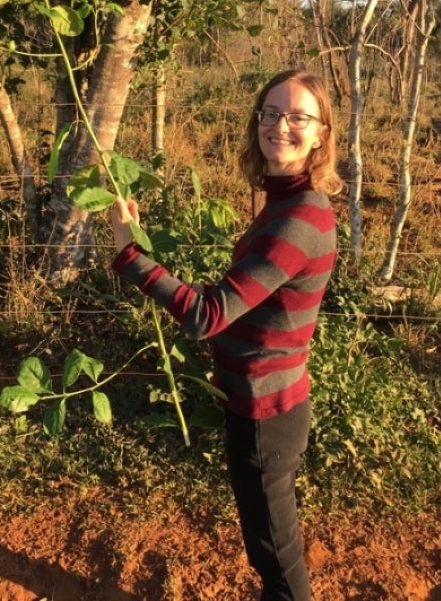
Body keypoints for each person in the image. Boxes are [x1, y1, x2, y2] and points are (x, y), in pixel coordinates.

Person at [108, 68, 343, 601]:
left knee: (278, 563)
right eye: (271, 112)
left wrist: (131, 257)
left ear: (322, 133)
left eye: (299, 117)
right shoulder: (286, 202)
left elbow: (209, 314)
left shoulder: (299, 219)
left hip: (267, 413)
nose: (280, 126)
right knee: (269, 550)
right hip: (259, 400)